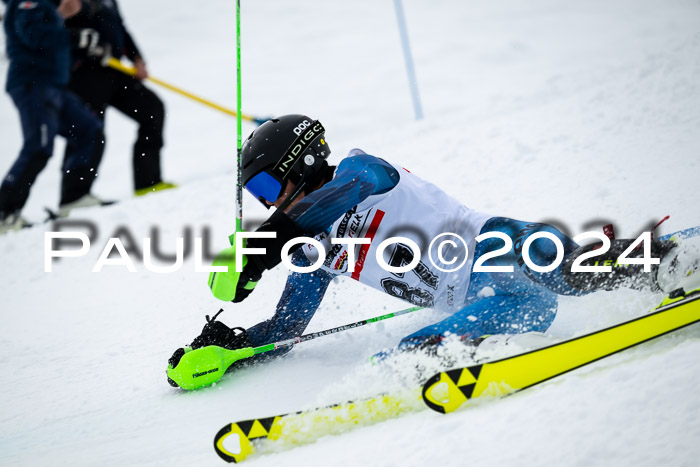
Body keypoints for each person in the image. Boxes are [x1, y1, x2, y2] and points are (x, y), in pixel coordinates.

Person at [170, 114, 698, 371]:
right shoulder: (311, 250)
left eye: (267, 186)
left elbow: (343, 193)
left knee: (560, 273)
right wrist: (228, 350)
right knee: (441, 342)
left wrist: (266, 244)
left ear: (301, 164)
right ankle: (419, 367)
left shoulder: (359, 169)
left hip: (501, 245)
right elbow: (286, 330)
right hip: (490, 301)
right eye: (257, 195)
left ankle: (673, 259)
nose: (268, 204)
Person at [0, 0, 107, 233]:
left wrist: (65, 23)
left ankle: (75, 197)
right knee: (39, 146)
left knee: (89, 130)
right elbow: (34, 35)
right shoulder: (26, 3)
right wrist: (72, 33)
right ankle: (5, 213)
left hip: (55, 85)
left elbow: (47, 34)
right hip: (33, 83)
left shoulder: (45, 5)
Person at [63, 0, 176, 197]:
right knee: (88, 130)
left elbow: (119, 27)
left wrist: (136, 58)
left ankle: (147, 183)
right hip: (85, 72)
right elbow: (55, 24)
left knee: (152, 109)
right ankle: (74, 196)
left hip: (115, 70)